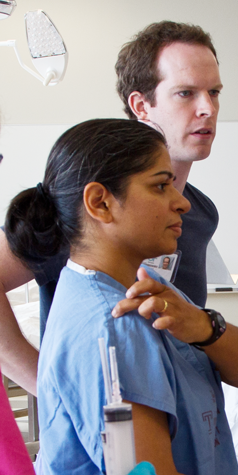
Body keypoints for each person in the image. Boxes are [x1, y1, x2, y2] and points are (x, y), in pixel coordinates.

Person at [5, 118, 238, 475]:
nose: (182, 204)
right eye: (161, 186)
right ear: (100, 203)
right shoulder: (112, 324)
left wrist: (203, 325)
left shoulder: (146, 290)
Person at [0, 20, 222, 396]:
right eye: (186, 93)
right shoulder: (89, 207)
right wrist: (47, 384)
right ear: (141, 105)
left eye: (214, 92)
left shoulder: (199, 213)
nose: (207, 108)